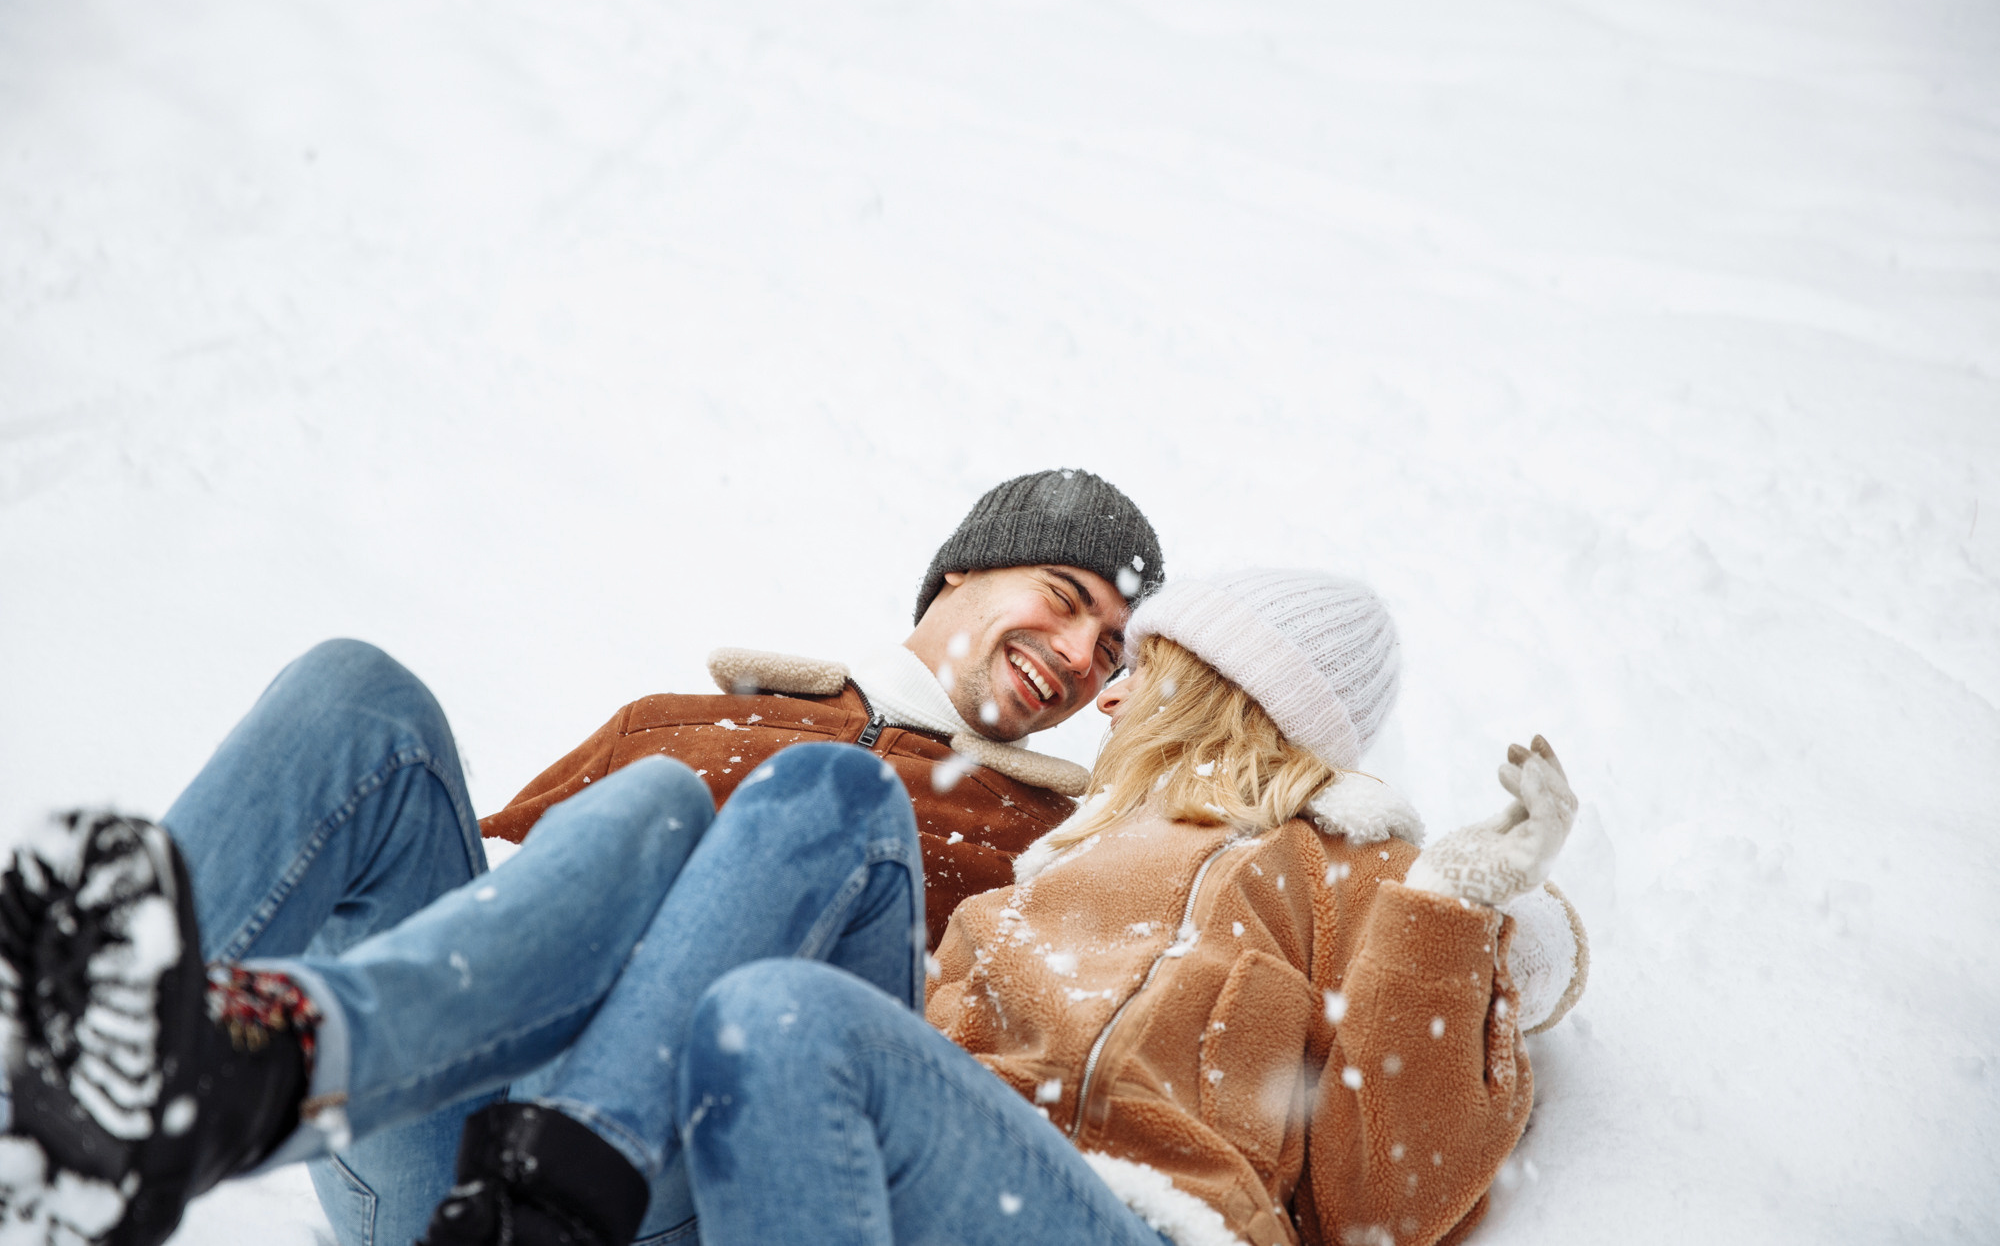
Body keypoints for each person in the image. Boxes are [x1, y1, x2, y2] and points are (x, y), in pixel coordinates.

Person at [0, 568, 1587, 1246]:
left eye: (1135, 659)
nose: (1099, 685)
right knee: (418, 720)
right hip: (492, 1120)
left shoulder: (1330, 876)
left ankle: (520, 1177)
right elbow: (506, 894)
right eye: (1082, 621)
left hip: (1042, 1207)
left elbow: (1388, 1192)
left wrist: (1459, 908)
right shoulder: (1027, 855)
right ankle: (100, 1050)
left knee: (791, 947)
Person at [0, 468, 1163, 1246]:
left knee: (821, 794)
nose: (1076, 656)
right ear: (963, 571)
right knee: (360, 695)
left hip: (682, 1179)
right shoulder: (677, 721)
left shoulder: (1051, 847)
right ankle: (85, 1066)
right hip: (446, 1146)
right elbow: (492, 900)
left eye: (1109, 650)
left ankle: (548, 1168)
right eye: (1063, 600)